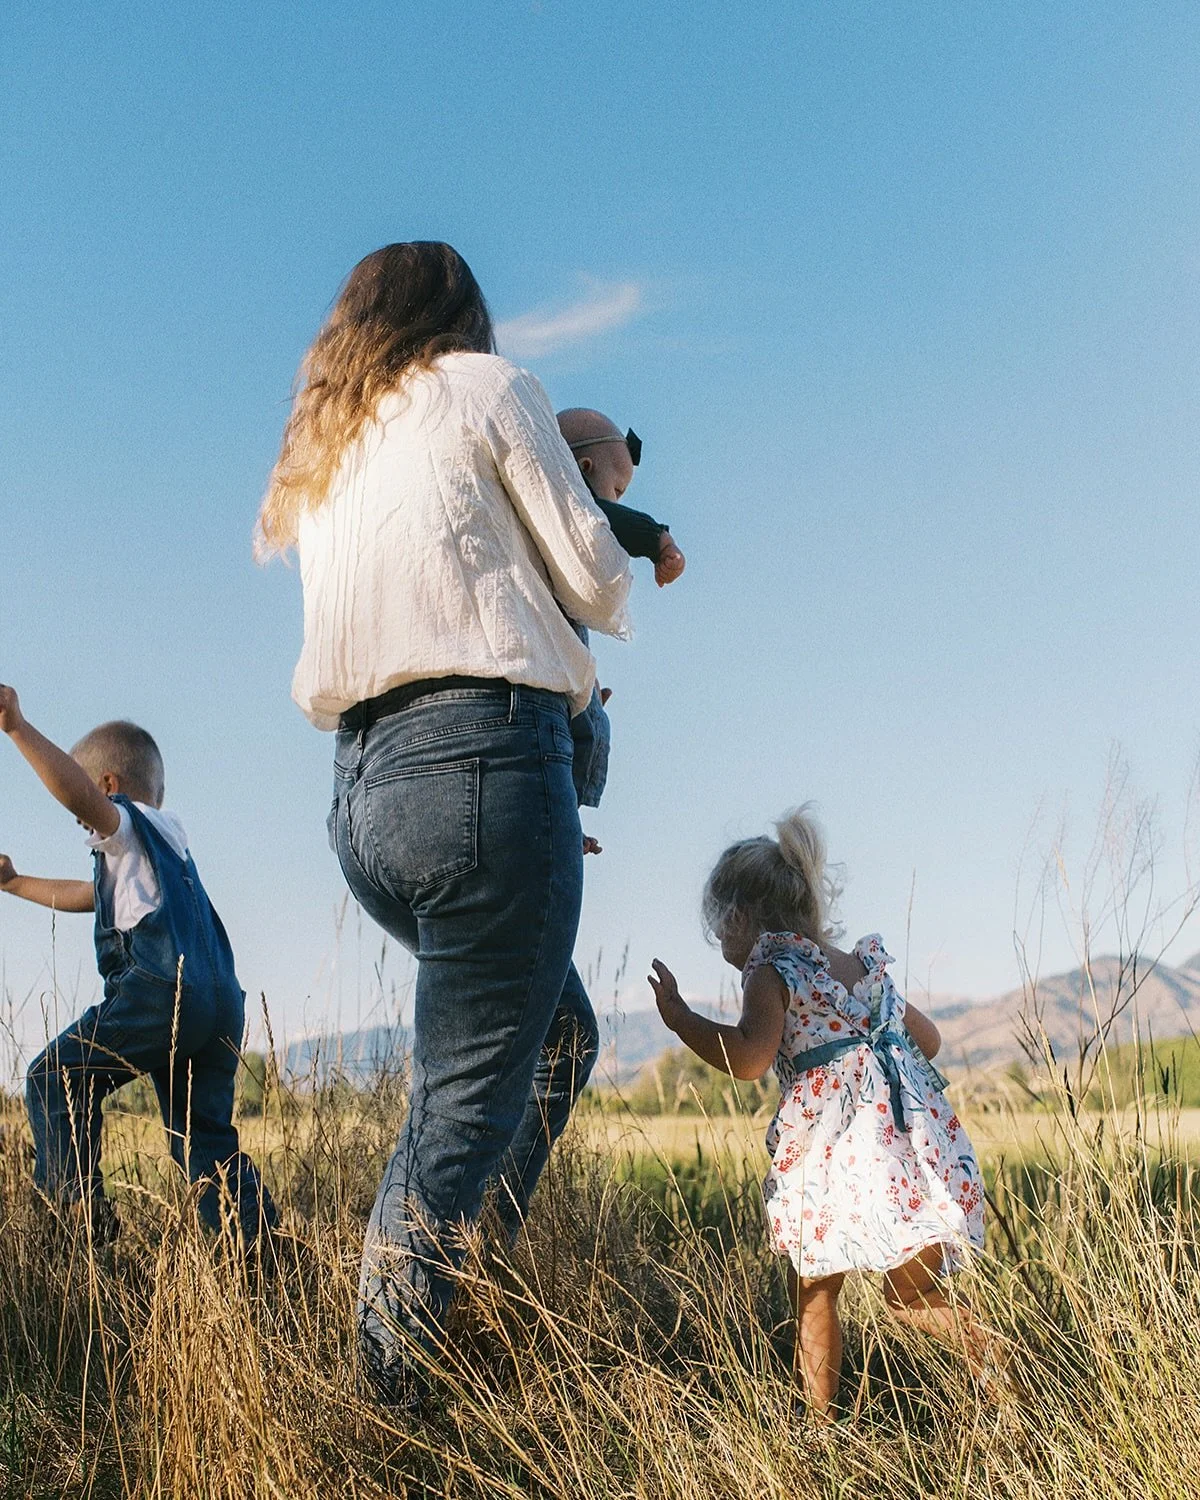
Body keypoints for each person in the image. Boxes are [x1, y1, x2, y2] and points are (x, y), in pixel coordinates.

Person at [257, 241, 635, 1403]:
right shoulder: (488, 386)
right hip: (480, 763)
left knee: (559, 1039)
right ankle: (395, 1394)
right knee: (454, 1118)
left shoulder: (330, 450)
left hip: (363, 795)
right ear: (464, 315)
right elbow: (597, 576)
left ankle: (466, 1276)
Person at [648, 806, 989, 1419]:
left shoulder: (771, 968)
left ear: (739, 916)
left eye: (719, 929)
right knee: (912, 1299)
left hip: (835, 1156)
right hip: (912, 1151)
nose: (722, 943)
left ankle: (820, 1426)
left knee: (815, 1287)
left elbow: (752, 1059)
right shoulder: (864, 967)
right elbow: (930, 1042)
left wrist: (683, 1020)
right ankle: (995, 1368)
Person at [0, 688, 277, 1247]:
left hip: (162, 993)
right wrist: (13, 882)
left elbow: (82, 800)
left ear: (107, 786)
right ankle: (258, 1249)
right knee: (206, 1142)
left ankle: (82, 1224)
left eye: (88, 812)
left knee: (54, 1076)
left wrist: (18, 729)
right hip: (220, 1003)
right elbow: (89, 896)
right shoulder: (165, 844)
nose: (86, 828)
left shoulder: (124, 822)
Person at [555, 407, 685, 813]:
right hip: (557, 650)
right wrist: (657, 540)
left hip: (559, 649)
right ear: (585, 468)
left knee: (582, 723)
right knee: (593, 728)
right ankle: (568, 819)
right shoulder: (574, 503)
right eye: (619, 489)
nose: (618, 500)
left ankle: (566, 815)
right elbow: (605, 517)